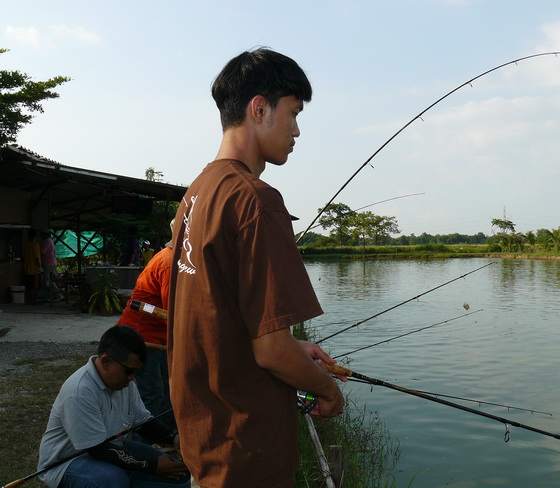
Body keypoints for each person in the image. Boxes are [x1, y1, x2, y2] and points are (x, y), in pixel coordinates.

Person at [168, 47, 345, 487]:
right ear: (259, 108)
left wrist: (294, 347)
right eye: (293, 113)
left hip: (205, 443)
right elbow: (270, 350)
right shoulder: (255, 198)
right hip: (246, 453)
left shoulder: (197, 193)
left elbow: (222, 318)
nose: (297, 130)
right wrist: (327, 388)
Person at [37, 325, 190, 488]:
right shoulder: (79, 391)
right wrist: (151, 465)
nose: (132, 378)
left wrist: (173, 437)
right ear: (106, 361)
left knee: (178, 473)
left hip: (109, 449)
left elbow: (142, 422)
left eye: (137, 372)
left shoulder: (124, 383)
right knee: (112, 481)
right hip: (67, 463)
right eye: (129, 371)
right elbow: (98, 449)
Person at [116, 219, 176, 437]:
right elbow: (176, 311)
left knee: (169, 392)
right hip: (143, 338)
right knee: (151, 396)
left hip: (160, 338)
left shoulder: (176, 261)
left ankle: (171, 438)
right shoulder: (170, 262)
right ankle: (147, 449)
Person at [39, 229, 62, 302]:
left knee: (48, 281)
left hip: (48, 263)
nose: (41, 236)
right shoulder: (50, 241)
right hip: (51, 263)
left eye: (42, 234)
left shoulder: (47, 242)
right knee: (50, 280)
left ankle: (58, 295)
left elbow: (42, 252)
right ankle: (51, 296)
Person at [24, 228, 41, 304]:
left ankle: (29, 300)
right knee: (34, 286)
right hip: (34, 269)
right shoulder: (35, 245)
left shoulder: (26, 245)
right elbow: (37, 257)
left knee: (28, 286)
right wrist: (39, 267)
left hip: (27, 268)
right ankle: (33, 300)